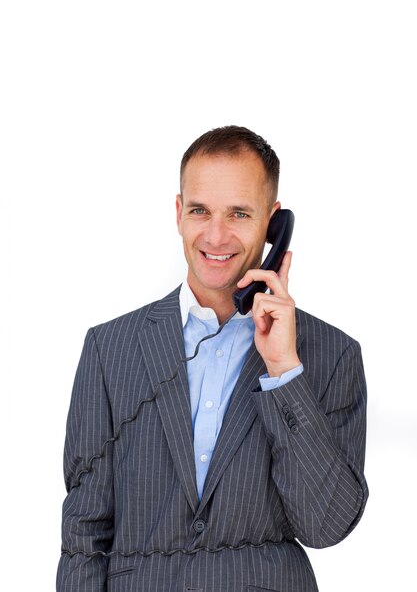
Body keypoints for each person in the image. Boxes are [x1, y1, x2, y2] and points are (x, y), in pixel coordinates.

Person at [57, 125, 368, 592]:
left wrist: (284, 372)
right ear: (179, 212)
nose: (216, 235)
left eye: (240, 213)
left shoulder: (331, 355)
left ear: (273, 223)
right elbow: (85, 535)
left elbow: (326, 526)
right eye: (200, 210)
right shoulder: (110, 349)